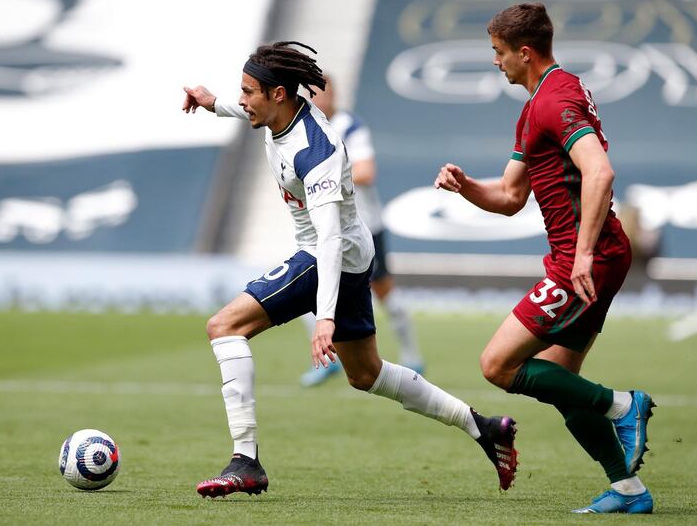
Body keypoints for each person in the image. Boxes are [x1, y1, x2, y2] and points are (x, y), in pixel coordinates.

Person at [182, 41, 517, 499]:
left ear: (278, 94)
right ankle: (482, 427)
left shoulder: (314, 152)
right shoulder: (278, 111)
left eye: (248, 91)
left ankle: (246, 460)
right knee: (366, 374)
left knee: (223, 327)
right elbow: (246, 111)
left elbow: (329, 240)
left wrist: (324, 319)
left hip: (327, 255)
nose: (242, 99)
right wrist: (211, 103)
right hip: (353, 255)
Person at [434, 3, 655, 514]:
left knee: (497, 364)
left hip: (587, 258)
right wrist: (466, 187)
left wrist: (580, 255)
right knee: (562, 383)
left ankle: (623, 404)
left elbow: (599, 174)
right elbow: (511, 197)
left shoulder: (554, 102)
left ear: (524, 52)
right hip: (590, 254)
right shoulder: (540, 104)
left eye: (499, 52)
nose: (495, 62)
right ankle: (627, 489)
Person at [298, 74, 425, 387]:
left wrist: (327, 173)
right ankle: (327, 361)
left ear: (334, 95)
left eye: (321, 93)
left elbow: (367, 172)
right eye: (310, 94)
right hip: (326, 227)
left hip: (364, 226)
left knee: (384, 293)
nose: (316, 100)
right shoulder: (303, 130)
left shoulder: (349, 126)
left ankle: (412, 357)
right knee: (307, 290)